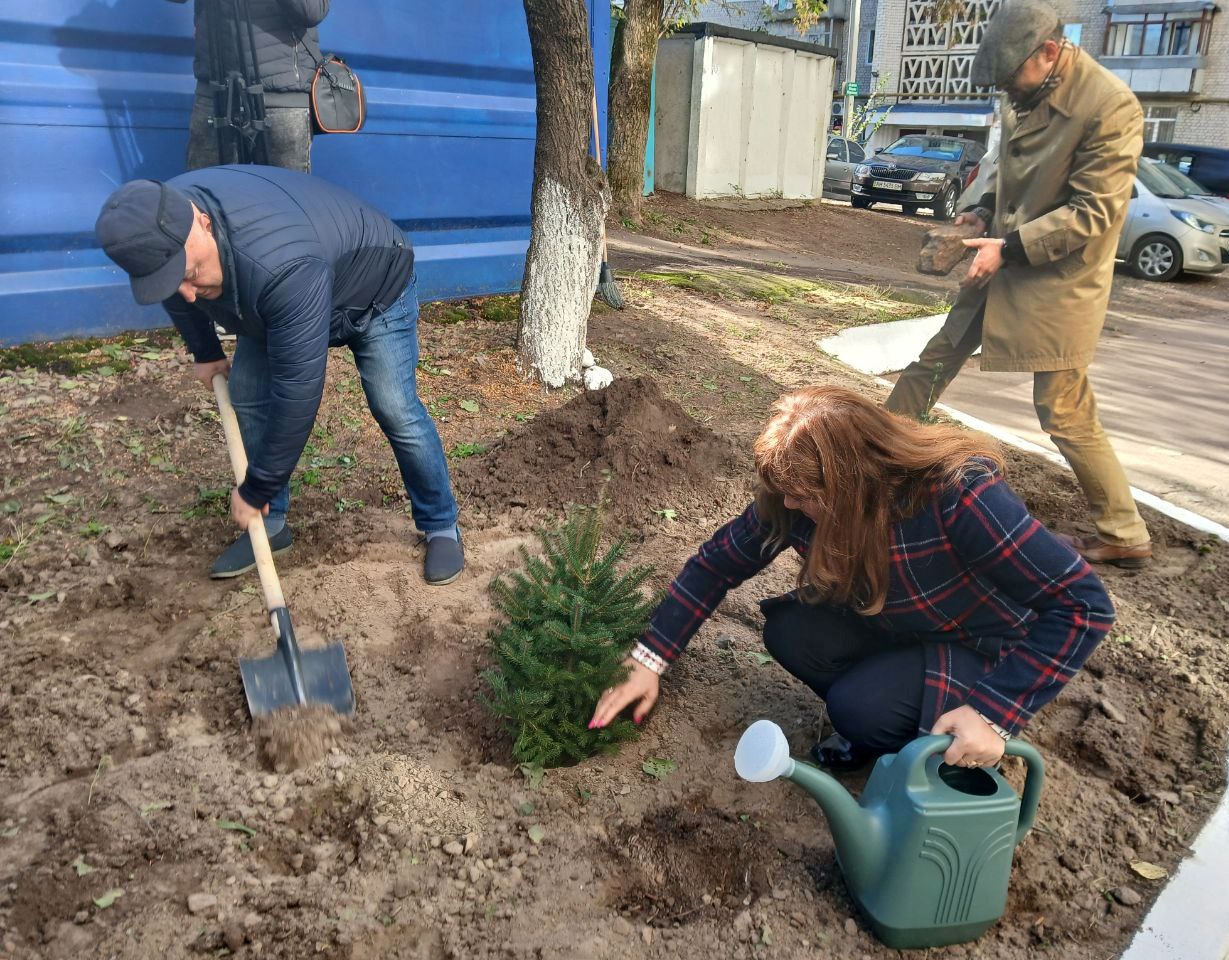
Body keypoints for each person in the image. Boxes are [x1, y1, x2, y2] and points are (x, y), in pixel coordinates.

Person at [590, 387, 1114, 771]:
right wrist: (648, 660)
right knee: (792, 631)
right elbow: (717, 563)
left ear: (852, 482)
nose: (791, 507)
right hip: (902, 625)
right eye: (786, 495)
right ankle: (894, 718)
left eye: (805, 497)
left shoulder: (957, 495)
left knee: (859, 708)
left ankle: (941, 741)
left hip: (981, 645)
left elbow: (1083, 604)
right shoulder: (795, 498)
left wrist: (994, 713)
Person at [94, 166, 464, 585]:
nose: (189, 293)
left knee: (394, 406)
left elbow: (297, 391)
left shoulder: (281, 265)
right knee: (248, 394)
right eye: (171, 279)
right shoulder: (160, 217)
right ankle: (271, 527)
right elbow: (175, 285)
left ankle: (440, 523)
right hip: (285, 291)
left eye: (191, 272)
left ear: (203, 221)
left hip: (376, 286)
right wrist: (206, 351)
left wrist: (256, 489)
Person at [885, 0, 1151, 569]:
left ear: (1049, 53)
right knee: (940, 353)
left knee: (1063, 407)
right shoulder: (1026, 93)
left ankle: (1124, 532)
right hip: (999, 255)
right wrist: (980, 211)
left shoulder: (1111, 107)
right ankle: (879, 451)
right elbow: (1002, 167)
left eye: (1012, 78)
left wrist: (1009, 248)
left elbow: (1095, 214)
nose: (1006, 90)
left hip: (1059, 278)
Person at [169, 0, 328, 172]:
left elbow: (312, 12)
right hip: (215, 94)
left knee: (286, 194)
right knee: (208, 193)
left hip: (281, 99)